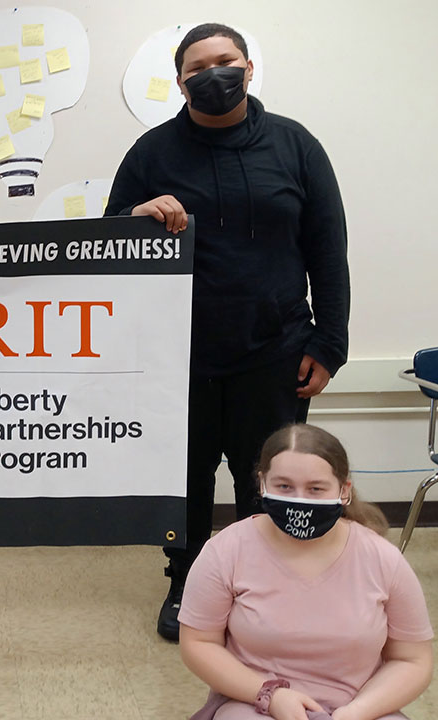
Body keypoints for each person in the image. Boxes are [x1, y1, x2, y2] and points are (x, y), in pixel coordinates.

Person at [104, 23, 350, 640]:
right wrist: (136, 218)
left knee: (265, 476)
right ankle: (187, 581)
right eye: (198, 67)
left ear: (247, 67)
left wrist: (331, 343)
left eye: (225, 61)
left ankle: (266, 585)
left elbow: (328, 250)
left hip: (275, 349)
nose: (213, 74)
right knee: (183, 477)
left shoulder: (296, 147)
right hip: (178, 353)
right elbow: (104, 239)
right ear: (180, 80)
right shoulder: (151, 153)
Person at [179, 424, 433, 720]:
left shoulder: (382, 559)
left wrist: (355, 713)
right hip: (252, 703)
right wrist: (270, 695)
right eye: (284, 486)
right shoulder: (225, 551)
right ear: (262, 484)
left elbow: (413, 659)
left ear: (343, 490)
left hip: (360, 709)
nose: (300, 499)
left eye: (315, 488)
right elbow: (198, 643)